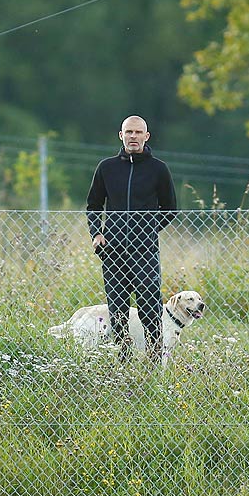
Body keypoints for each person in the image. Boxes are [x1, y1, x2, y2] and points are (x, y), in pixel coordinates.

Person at [85, 115, 178, 362]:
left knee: (149, 306)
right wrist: (96, 233)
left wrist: (148, 229)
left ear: (146, 137)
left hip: (145, 251)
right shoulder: (106, 167)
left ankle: (154, 359)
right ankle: (122, 362)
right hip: (112, 251)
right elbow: (93, 205)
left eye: (138, 132)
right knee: (117, 311)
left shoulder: (158, 169)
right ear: (121, 135)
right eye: (129, 132)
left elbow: (170, 209)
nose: (133, 137)